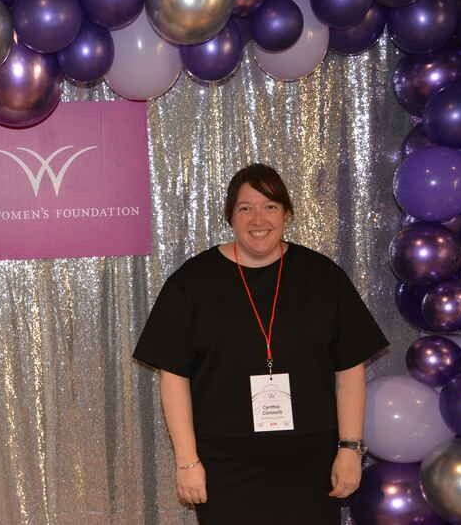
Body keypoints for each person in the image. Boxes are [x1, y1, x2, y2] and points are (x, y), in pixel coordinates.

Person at [133, 164, 388, 524]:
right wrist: (187, 462)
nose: (258, 219)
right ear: (230, 216)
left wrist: (350, 449)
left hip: (311, 462)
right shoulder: (192, 282)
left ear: (286, 213)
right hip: (225, 465)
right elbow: (174, 377)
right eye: (245, 208)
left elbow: (350, 369)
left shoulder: (323, 277)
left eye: (270, 206)